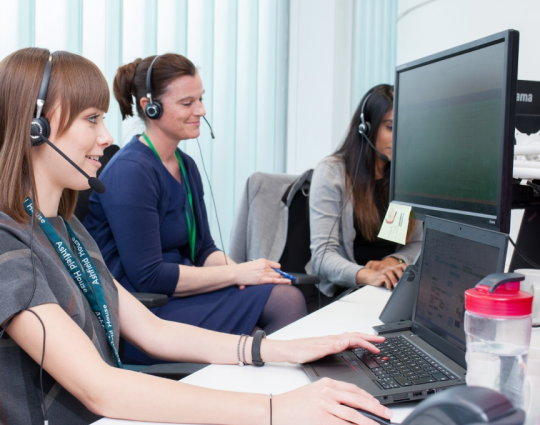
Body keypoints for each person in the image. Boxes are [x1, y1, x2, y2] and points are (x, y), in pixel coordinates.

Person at [0, 47, 393, 425]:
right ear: (36, 128)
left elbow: (152, 330)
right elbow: (99, 388)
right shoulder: (8, 244)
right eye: (91, 119)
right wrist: (274, 410)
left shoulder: (67, 228)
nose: (106, 136)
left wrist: (287, 348)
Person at [83, 53, 307, 364]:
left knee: (278, 294)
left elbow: (203, 250)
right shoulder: (131, 171)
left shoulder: (185, 165)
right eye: (187, 103)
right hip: (143, 314)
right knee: (282, 305)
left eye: (200, 99)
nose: (201, 110)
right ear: (150, 106)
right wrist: (238, 273)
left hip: (178, 299)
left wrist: (251, 275)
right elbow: (149, 277)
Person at [309, 84, 422, 304]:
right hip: (342, 290)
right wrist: (369, 275)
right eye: (391, 127)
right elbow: (322, 257)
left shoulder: (405, 176)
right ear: (365, 128)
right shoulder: (332, 172)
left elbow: (416, 243)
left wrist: (392, 261)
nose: (400, 137)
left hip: (388, 288)